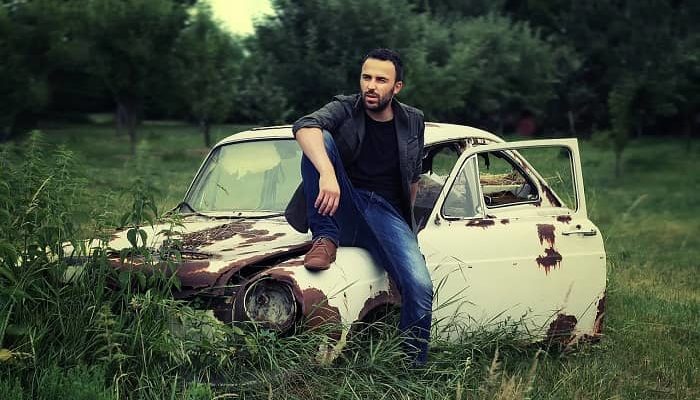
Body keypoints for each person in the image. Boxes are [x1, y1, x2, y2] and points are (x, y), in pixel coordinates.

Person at [285, 48, 433, 365]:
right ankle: (325, 237)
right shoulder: (345, 107)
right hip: (345, 203)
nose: (371, 86)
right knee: (318, 139)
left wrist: (406, 232)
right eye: (367, 77)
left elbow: (413, 178)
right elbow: (304, 126)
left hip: (385, 214)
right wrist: (327, 173)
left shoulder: (413, 121)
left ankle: (412, 369)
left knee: (420, 286)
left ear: (397, 87)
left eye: (381, 80)